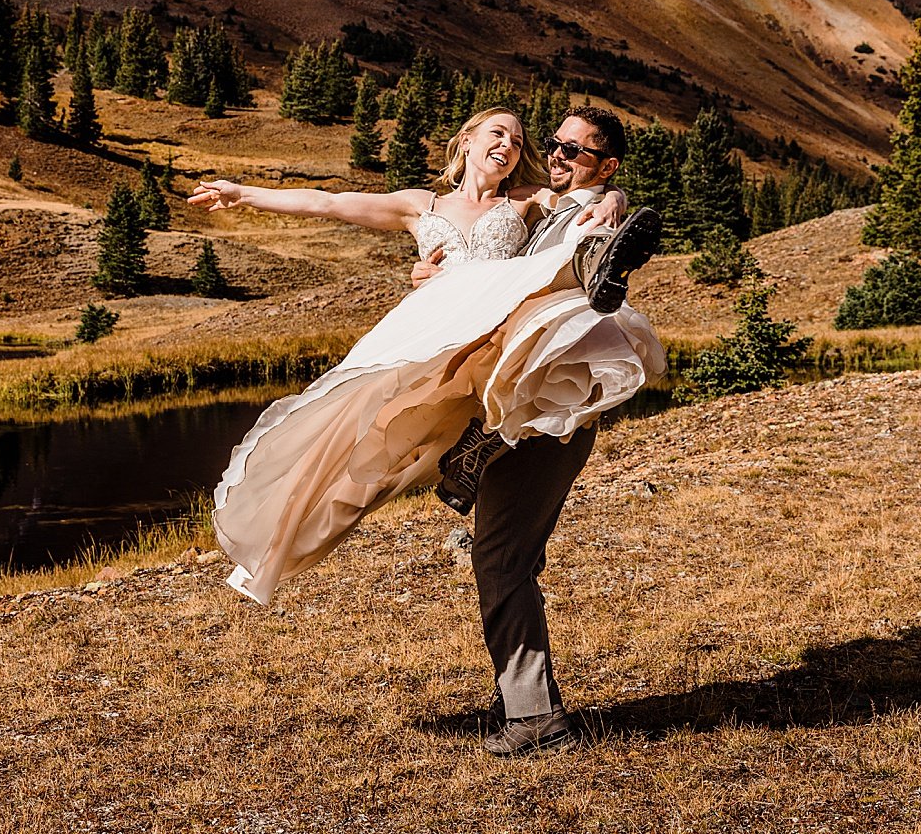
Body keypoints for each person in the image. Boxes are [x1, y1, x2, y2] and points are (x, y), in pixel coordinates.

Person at [187, 106, 659, 609]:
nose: (511, 146)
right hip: (435, 333)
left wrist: (616, 197)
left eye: (519, 142)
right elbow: (327, 202)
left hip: (492, 327)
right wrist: (243, 194)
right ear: (468, 142)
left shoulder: (525, 201)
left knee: (494, 359)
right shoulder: (420, 205)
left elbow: (580, 198)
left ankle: (475, 449)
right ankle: (275, 543)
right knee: (361, 445)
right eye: (499, 134)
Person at [412, 104, 661, 756]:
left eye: (574, 151)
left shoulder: (587, 209)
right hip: (517, 389)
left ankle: (534, 717)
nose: (556, 154)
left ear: (603, 165)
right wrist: (433, 277)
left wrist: (610, 203)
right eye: (553, 144)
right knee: (511, 557)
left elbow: (602, 203)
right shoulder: (540, 207)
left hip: (551, 406)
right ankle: (522, 694)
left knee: (499, 559)